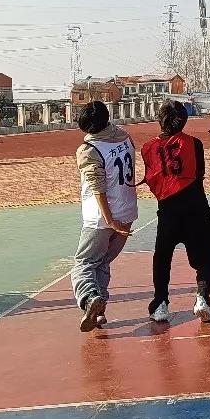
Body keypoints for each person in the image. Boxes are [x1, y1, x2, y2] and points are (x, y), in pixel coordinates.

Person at [142, 101, 210, 324]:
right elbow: (199, 173)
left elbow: (152, 179)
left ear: (160, 120)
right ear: (184, 121)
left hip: (168, 210)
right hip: (196, 207)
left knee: (162, 258)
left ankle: (160, 304)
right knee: (205, 259)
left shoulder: (148, 147)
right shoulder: (195, 144)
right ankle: (202, 298)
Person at [70, 101, 138, 332]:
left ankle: (89, 298)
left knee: (84, 263)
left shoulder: (89, 149)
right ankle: (99, 312)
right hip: (127, 211)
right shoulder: (125, 137)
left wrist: (109, 219)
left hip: (101, 218)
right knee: (103, 262)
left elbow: (97, 187)